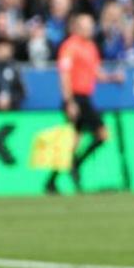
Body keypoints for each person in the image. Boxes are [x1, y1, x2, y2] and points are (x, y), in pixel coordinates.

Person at [47, 13, 114, 195]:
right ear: (76, 27)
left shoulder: (91, 47)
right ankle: (73, 166)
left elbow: (95, 72)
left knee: (74, 143)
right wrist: (69, 102)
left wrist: (112, 78)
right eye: (86, 26)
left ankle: (52, 181)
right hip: (75, 98)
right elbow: (65, 75)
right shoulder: (70, 46)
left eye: (91, 25)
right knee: (101, 135)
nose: (90, 29)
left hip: (85, 97)